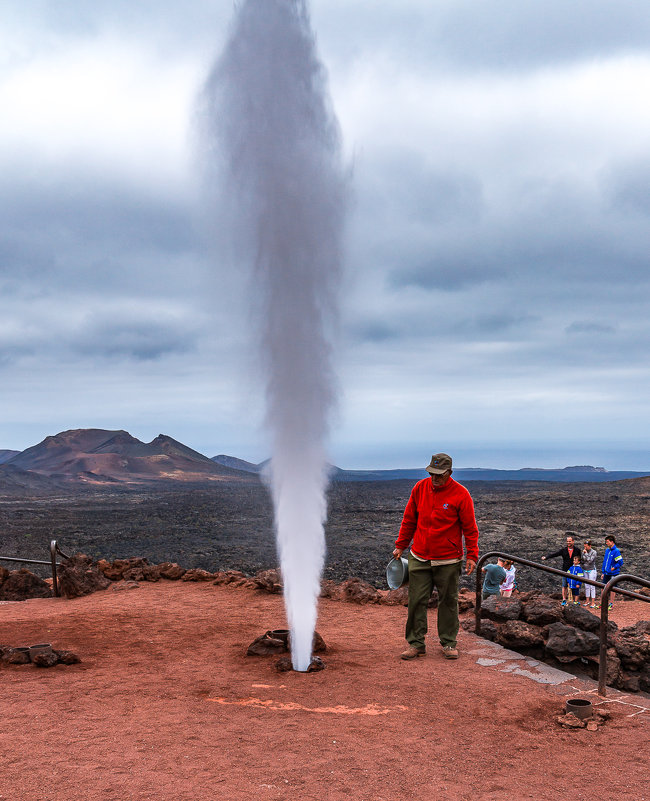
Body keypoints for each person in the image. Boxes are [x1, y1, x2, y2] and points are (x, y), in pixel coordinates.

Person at [393, 453, 479, 661]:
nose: (435, 478)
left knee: (448, 601)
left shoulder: (461, 494)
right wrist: (400, 546)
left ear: (450, 472)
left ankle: (449, 643)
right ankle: (416, 643)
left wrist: (472, 556)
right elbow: (409, 519)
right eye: (432, 473)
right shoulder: (420, 488)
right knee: (416, 601)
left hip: (448, 560)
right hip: (419, 556)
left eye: (440, 474)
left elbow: (470, 529)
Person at [541, 533, 581, 606]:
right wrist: (546, 557)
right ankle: (564, 599)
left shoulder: (577, 550)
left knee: (575, 585)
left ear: (573, 541)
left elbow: (581, 559)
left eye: (570, 541)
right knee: (564, 585)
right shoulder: (564, 550)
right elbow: (555, 554)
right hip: (565, 570)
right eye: (567, 541)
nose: (568, 543)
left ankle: (575, 600)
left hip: (574, 571)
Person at [599, 535, 624, 611]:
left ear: (612, 542)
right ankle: (603, 603)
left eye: (607, 542)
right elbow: (605, 562)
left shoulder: (616, 551)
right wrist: (603, 572)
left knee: (613, 588)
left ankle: (611, 604)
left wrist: (614, 568)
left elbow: (620, 562)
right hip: (606, 573)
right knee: (603, 587)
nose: (606, 543)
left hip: (613, 573)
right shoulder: (607, 550)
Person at [581, 539, 598, 608]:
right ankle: (587, 600)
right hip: (585, 570)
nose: (585, 548)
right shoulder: (583, 552)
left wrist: (586, 554)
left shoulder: (594, 552)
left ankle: (593, 602)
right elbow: (582, 560)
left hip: (592, 570)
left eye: (586, 546)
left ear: (590, 546)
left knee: (592, 586)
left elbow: (590, 560)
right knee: (586, 586)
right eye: (584, 546)